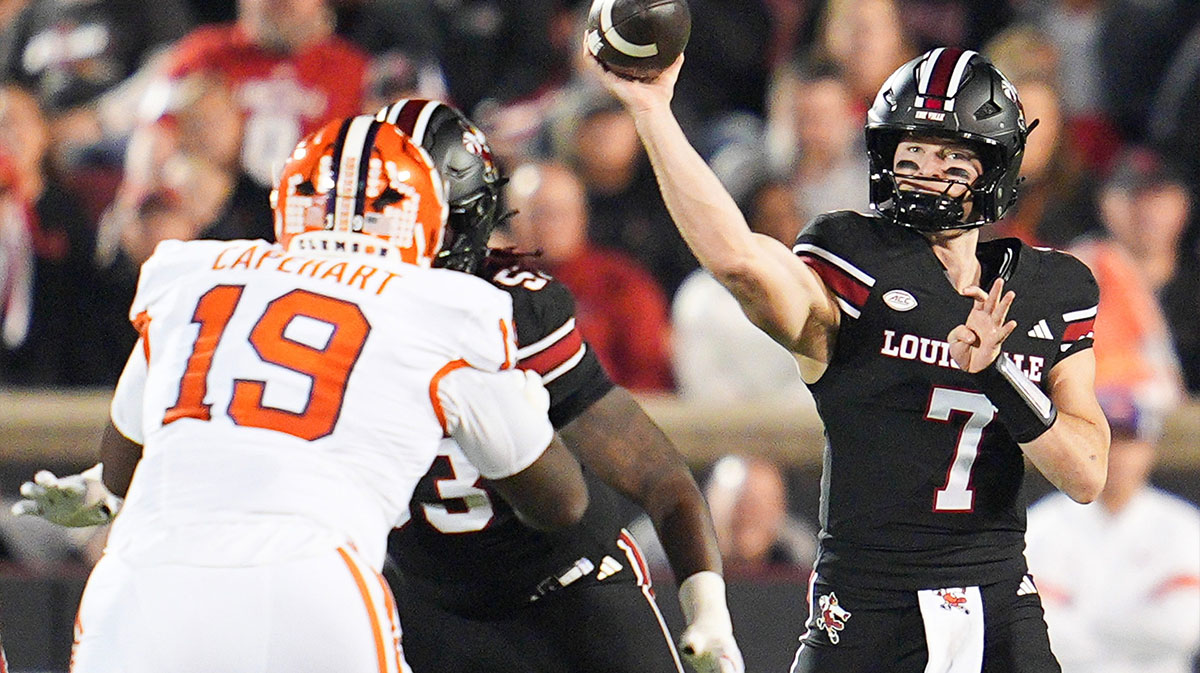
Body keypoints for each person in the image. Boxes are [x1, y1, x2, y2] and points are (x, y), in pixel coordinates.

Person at [593, 46, 1110, 672]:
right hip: (868, 606)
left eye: (949, 156)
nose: (922, 171)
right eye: (910, 152)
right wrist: (652, 112)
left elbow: (1086, 474)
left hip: (1000, 601)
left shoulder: (1053, 288)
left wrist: (998, 375)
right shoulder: (853, 259)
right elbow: (739, 261)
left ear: (994, 165)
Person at [13, 114, 590, 673]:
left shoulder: (193, 276)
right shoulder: (444, 307)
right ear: (428, 220)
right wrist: (515, 400)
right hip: (314, 579)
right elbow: (561, 503)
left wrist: (95, 489)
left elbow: (116, 472)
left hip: (142, 578)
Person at [374, 98, 742, 673]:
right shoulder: (317, 316)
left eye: (390, 212)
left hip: (567, 596)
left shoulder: (513, 312)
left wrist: (709, 611)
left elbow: (659, 476)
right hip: (423, 605)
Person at [1025, 388, 1200, 673]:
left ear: (1148, 448)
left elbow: (1183, 629)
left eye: (1128, 441)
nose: (1117, 454)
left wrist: (1086, 618)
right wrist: (1132, 625)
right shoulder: (1042, 524)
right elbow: (1037, 634)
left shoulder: (1184, 526)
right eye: (1109, 440)